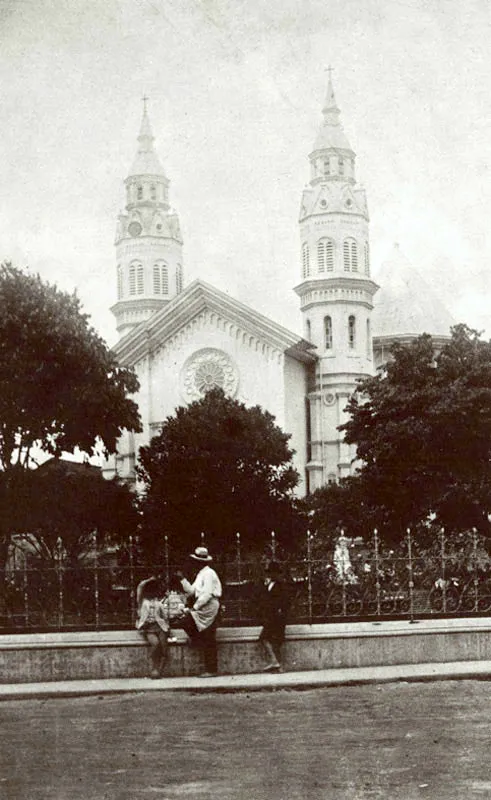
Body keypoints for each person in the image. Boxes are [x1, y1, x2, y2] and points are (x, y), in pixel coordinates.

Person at [177, 546, 222, 677]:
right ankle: (198, 641)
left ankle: (211, 669)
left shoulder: (209, 573)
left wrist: (195, 607)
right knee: (187, 623)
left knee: (209, 637)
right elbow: (192, 591)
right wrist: (183, 580)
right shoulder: (201, 574)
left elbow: (207, 594)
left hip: (209, 607)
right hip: (202, 607)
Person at [258, 560, 290, 672]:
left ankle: (275, 662)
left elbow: (285, 600)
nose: (272, 575)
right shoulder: (269, 584)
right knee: (272, 640)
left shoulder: (281, 585)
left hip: (277, 616)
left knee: (265, 638)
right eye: (270, 572)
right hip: (271, 616)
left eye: (274, 573)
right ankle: (278, 665)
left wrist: (280, 611)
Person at [135, 576, 170, 679]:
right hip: (149, 628)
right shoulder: (142, 602)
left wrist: (166, 625)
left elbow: (165, 616)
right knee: (155, 644)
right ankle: (154, 668)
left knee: (164, 649)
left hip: (160, 627)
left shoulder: (158, 602)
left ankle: (159, 671)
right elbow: (140, 586)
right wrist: (149, 579)